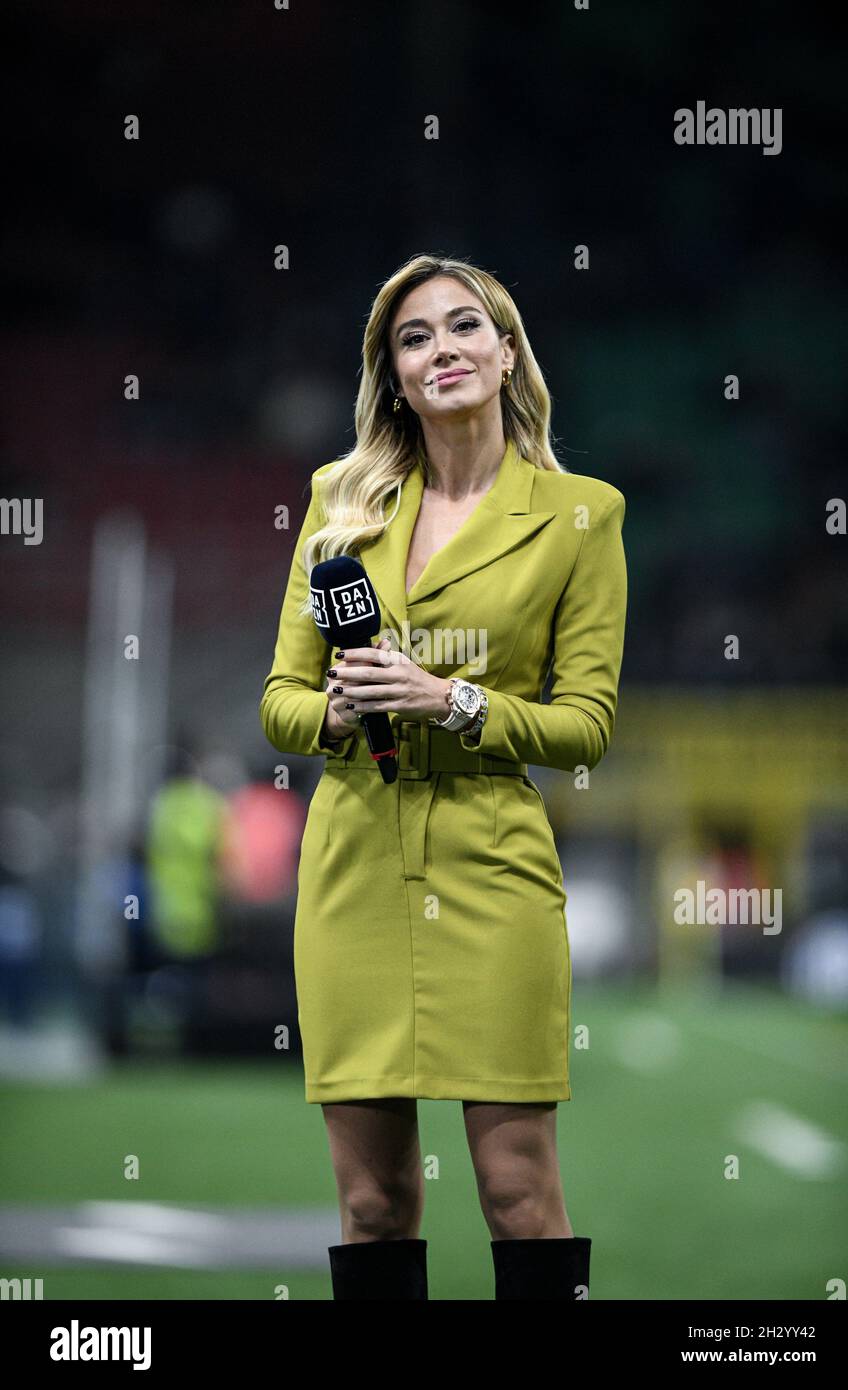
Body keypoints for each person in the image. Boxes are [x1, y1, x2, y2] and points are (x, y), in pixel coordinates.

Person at [260, 253, 627, 1300]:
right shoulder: (340, 499)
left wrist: (448, 700)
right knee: (373, 1204)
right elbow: (279, 701)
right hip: (353, 864)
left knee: (516, 1193)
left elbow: (585, 724)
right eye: (412, 338)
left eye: (463, 327)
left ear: (505, 352)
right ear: (395, 375)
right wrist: (332, 711)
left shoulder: (581, 514)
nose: (440, 350)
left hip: (492, 862)